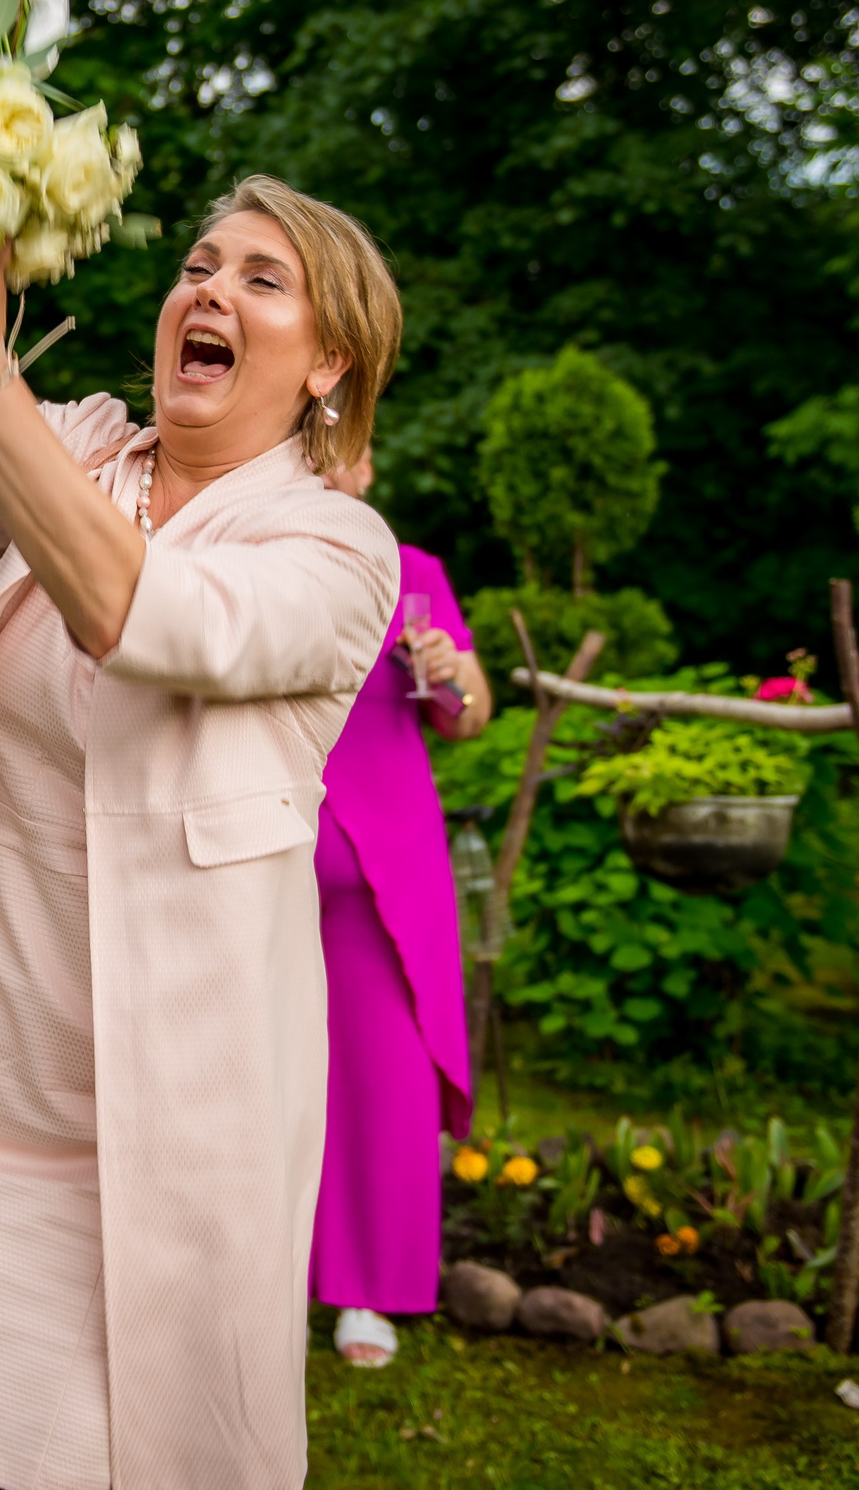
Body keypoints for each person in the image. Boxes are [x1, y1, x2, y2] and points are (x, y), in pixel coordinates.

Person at [0, 174, 403, 1489]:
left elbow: (140, 616)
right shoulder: (84, 449)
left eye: (259, 279)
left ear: (328, 364)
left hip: (134, 1179)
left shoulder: (338, 553)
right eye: (197, 264)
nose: (209, 291)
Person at [309, 446, 489, 1368]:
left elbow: (466, 713)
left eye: (356, 451)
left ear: (372, 470)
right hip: (264, 861)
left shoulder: (414, 574)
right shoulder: (256, 554)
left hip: (388, 872)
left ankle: (367, 1292)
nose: (339, 465)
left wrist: (449, 664)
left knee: (384, 1071)